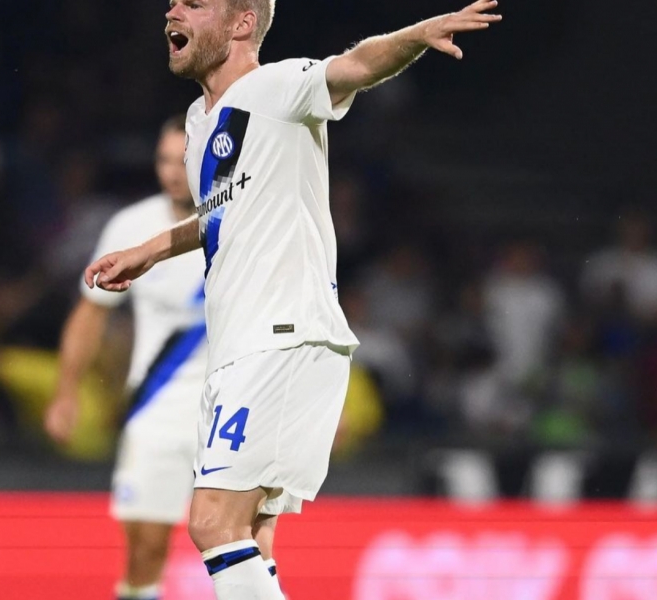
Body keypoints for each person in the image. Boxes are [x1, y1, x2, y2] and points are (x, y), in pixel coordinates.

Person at [85, 1, 502, 598]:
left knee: (210, 522)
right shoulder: (201, 120)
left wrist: (416, 34)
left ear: (242, 23)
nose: (172, 9)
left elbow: (355, 65)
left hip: (281, 337)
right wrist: (150, 249)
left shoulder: (276, 86)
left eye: (195, 3)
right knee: (252, 535)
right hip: (243, 348)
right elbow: (221, 212)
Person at [47, 115, 259, 600]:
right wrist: (66, 392)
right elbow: (90, 314)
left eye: (181, 159)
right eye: (163, 160)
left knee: (244, 549)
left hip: (234, 410)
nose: (170, 170)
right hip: (157, 407)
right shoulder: (131, 225)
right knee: (144, 549)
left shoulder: (248, 217)